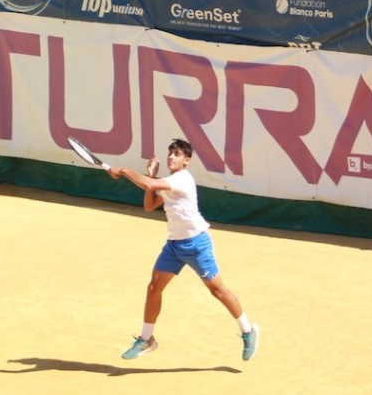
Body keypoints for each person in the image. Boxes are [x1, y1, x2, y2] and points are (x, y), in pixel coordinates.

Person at [107, 138, 259, 361]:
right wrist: (150, 176)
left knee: (217, 290)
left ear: (187, 161)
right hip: (174, 246)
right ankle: (146, 339)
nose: (171, 156)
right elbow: (150, 205)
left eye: (177, 154)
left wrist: (122, 170)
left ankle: (248, 331)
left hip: (197, 244)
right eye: (171, 153)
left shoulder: (183, 180)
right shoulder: (168, 181)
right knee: (153, 288)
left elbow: (149, 186)